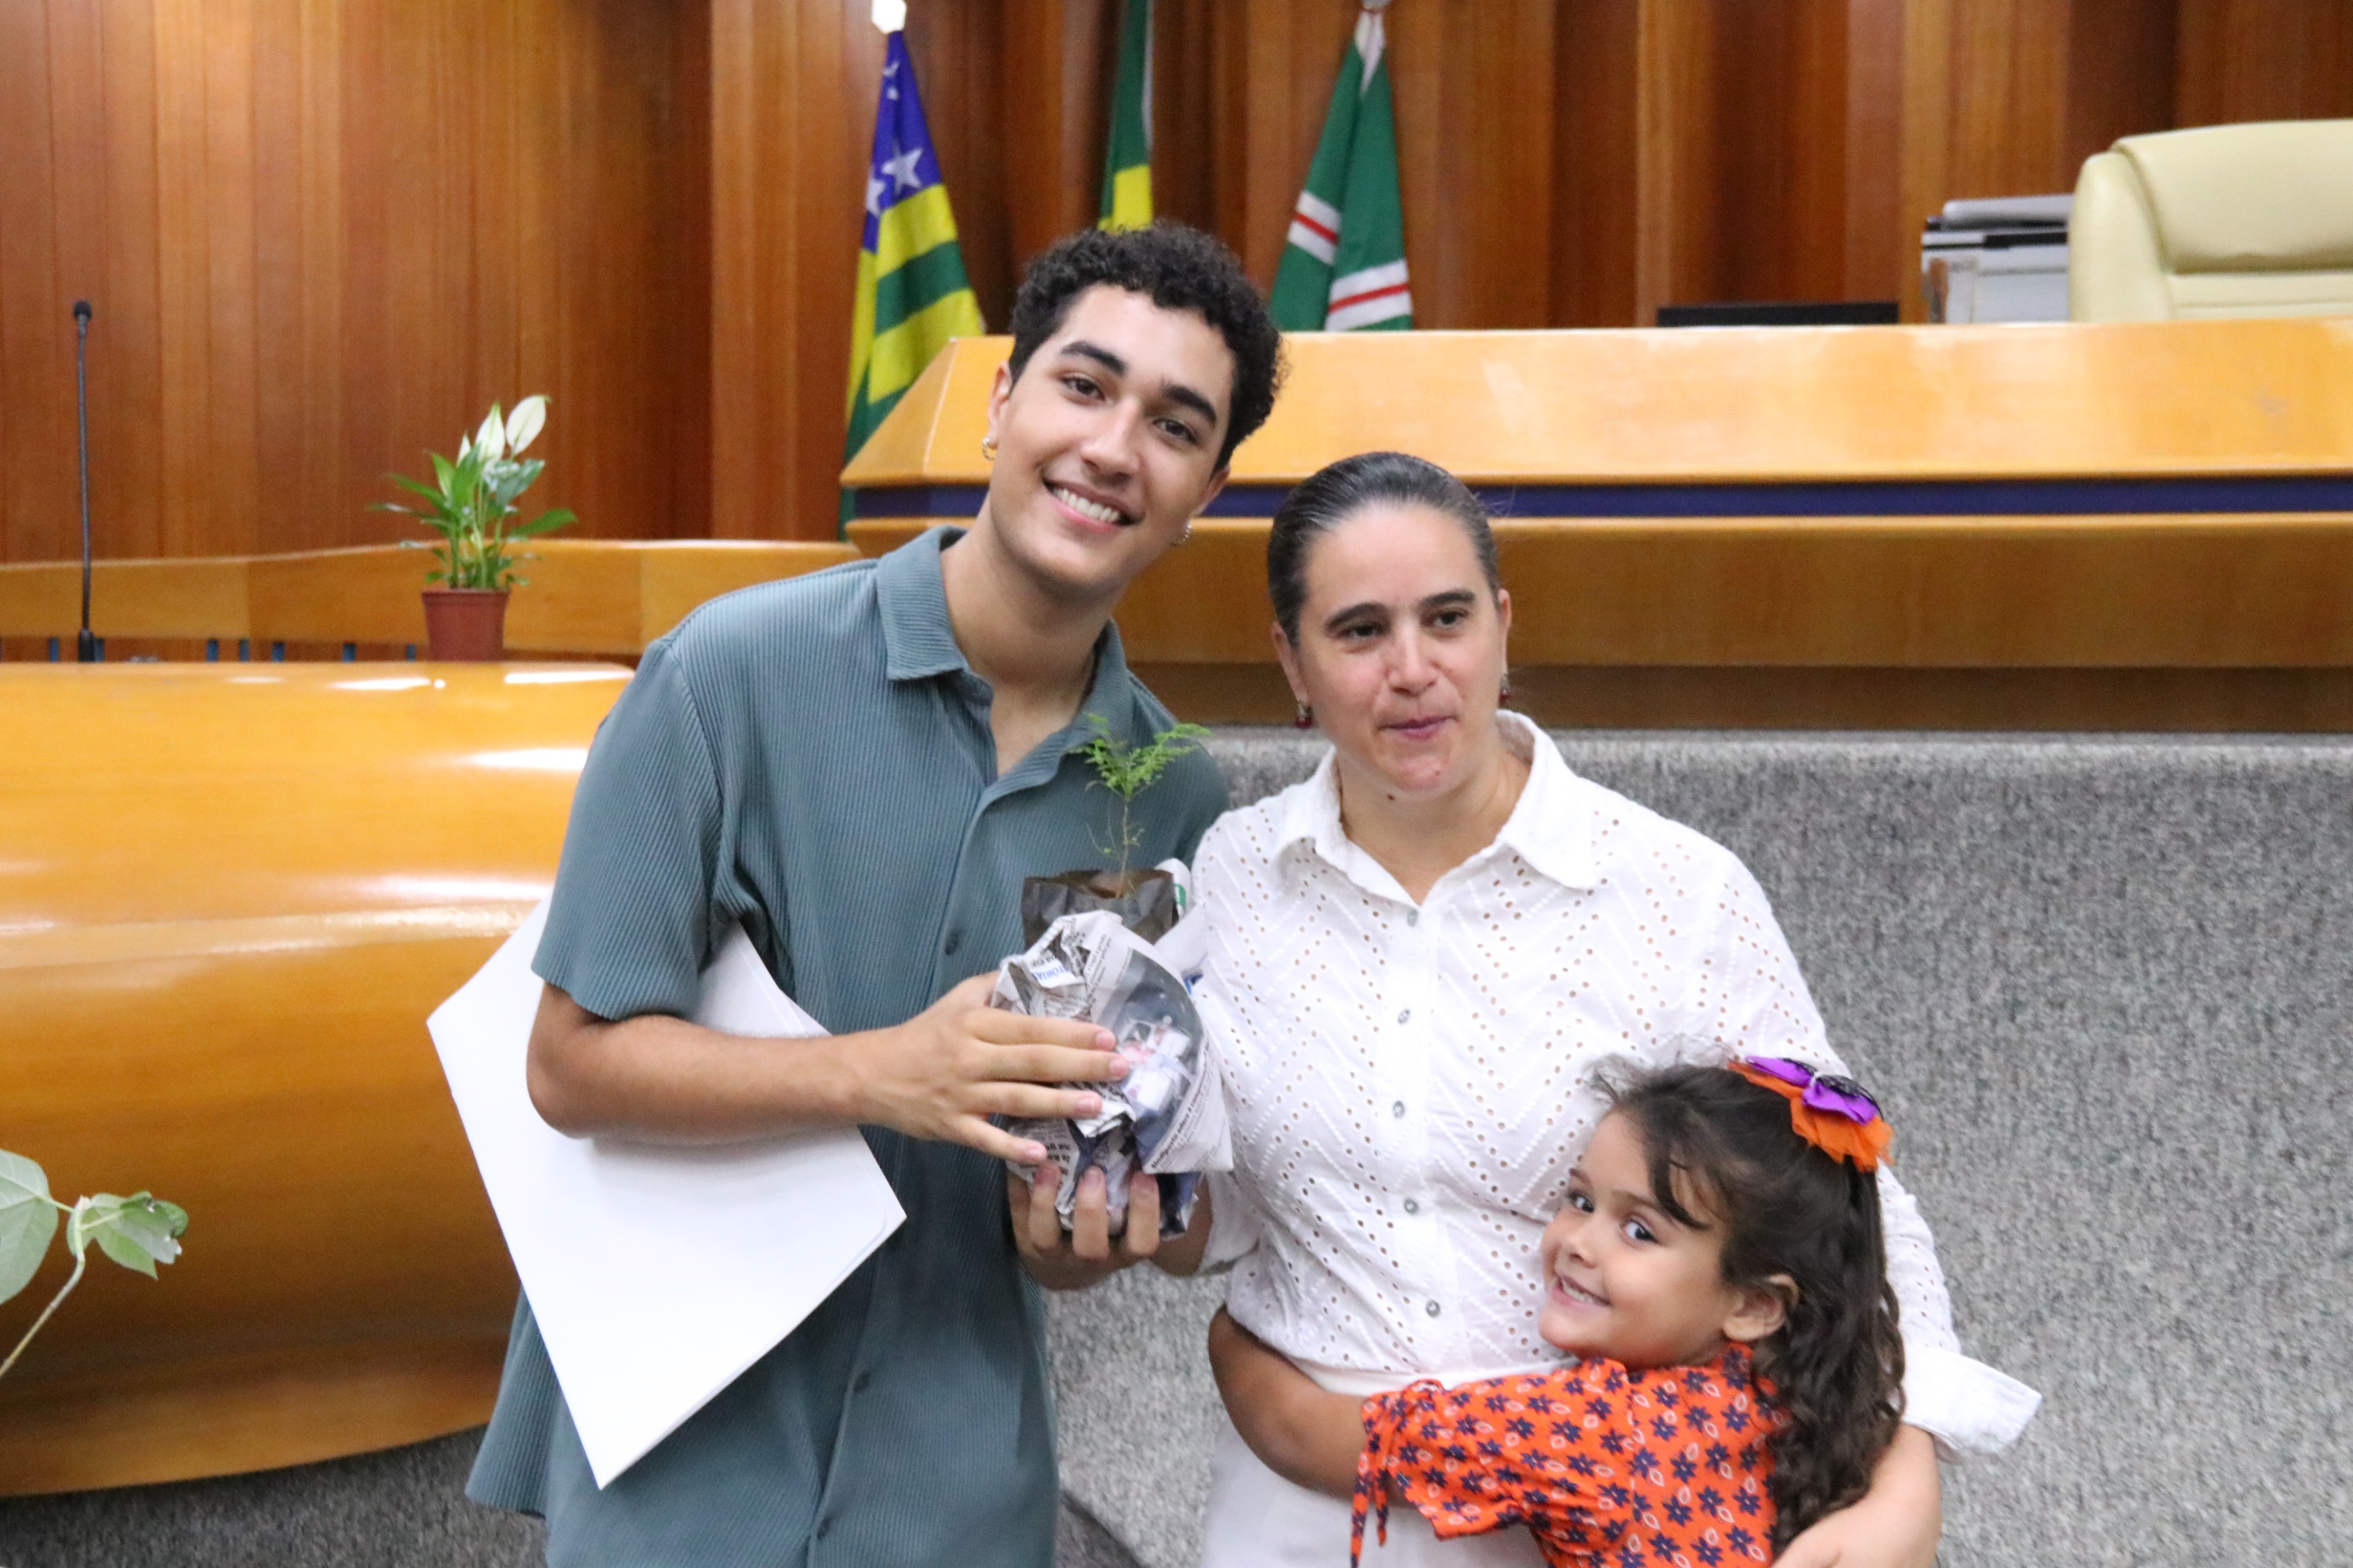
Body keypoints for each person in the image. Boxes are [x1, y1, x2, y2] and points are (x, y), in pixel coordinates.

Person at [464, 223, 1283, 1567]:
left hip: (953, 1487)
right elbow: (568, 1065)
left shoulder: (1173, 795)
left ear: (1207, 488)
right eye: (1083, 386)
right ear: (1002, 401)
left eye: (1173, 426)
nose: (1112, 447)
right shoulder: (728, 671)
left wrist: (1075, 1240)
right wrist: (884, 1073)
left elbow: (1073, 1191)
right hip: (684, 1459)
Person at [1172, 451, 2039, 1567]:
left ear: (1503, 626)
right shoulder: (1237, 872)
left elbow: (1843, 1193)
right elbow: (1228, 1208)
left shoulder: (1672, 888)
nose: (1413, 669)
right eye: (1359, 631)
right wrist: (1115, 1203)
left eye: (1447, 618)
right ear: (1291, 660)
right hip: (1300, 1512)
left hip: (1610, 1509)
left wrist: (1903, 1474)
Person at [1208, 1058, 1909, 1567]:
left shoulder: (1589, 1428)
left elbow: (1297, 1433)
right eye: (1579, 1200)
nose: (1577, 1241)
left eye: (1639, 1230)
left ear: (1753, 1305)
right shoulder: (1804, 1405)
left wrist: (1230, 1327)